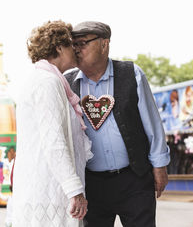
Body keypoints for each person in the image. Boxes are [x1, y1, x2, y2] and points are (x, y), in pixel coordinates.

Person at [65, 21, 170, 227]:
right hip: (90, 184)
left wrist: (160, 166)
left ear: (104, 44)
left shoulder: (131, 73)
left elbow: (152, 124)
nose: (77, 49)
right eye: (73, 44)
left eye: (83, 43)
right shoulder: (66, 83)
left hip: (134, 179)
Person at [12, 20, 93, 227]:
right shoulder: (46, 82)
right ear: (59, 48)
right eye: (70, 45)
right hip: (47, 193)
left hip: (48, 190)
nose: (76, 50)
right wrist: (75, 190)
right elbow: (53, 141)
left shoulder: (49, 80)